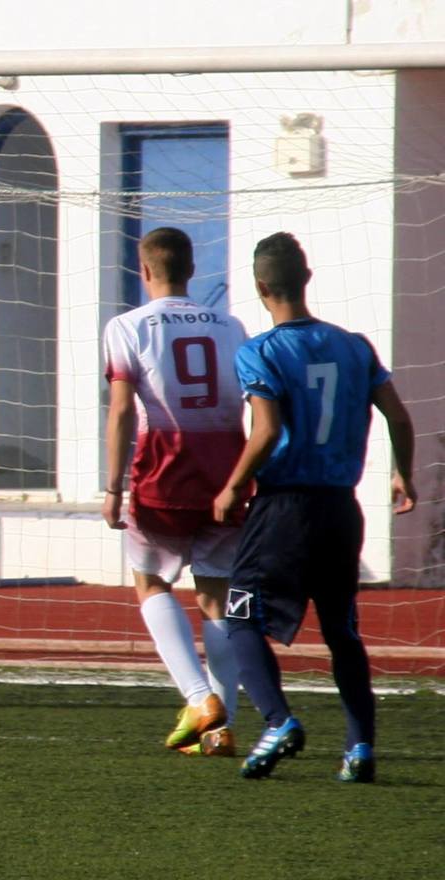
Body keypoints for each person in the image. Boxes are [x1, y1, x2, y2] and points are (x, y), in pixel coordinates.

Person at [214, 232, 416, 782]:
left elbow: (266, 431)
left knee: (239, 616)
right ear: (306, 279)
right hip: (341, 510)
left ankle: (277, 721)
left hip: (284, 507)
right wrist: (403, 472)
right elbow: (399, 417)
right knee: (341, 630)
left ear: (260, 287)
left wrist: (233, 485)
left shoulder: (258, 351)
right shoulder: (355, 346)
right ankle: (360, 748)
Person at [101, 226, 248, 756]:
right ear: (192, 269)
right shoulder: (232, 326)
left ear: (144, 271)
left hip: (162, 475)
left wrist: (113, 487)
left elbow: (122, 408)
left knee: (150, 583)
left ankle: (198, 698)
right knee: (216, 599)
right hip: (226, 476)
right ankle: (221, 729)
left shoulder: (127, 326)